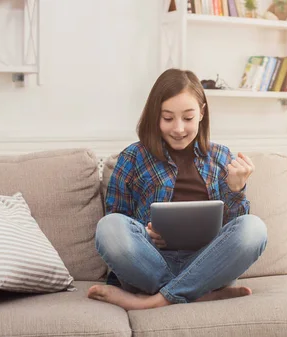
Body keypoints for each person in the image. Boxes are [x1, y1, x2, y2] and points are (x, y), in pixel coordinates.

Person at [87, 68, 268, 310]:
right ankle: (196, 293)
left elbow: (234, 234)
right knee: (108, 227)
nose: (179, 128)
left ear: (202, 113)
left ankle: (156, 300)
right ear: (155, 116)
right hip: (150, 264)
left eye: (188, 118)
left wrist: (236, 190)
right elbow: (118, 218)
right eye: (168, 118)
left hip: (206, 264)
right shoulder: (132, 157)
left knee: (254, 228)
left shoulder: (221, 157)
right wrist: (145, 232)